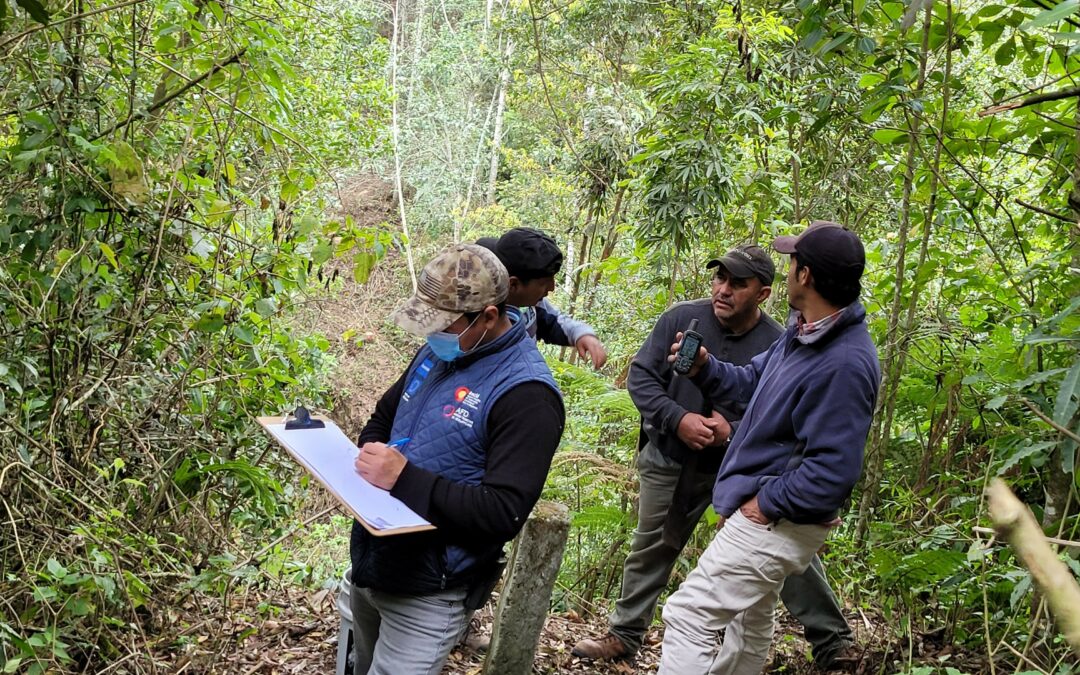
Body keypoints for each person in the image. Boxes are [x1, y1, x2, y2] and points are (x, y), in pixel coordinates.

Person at [572, 245, 856, 669]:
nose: (722, 290)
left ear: (762, 294)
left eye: (737, 284)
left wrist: (731, 432)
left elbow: (783, 425)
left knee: (783, 557)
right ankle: (624, 634)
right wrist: (679, 417)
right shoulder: (683, 318)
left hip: (740, 470)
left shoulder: (784, 341)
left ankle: (833, 643)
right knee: (652, 546)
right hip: (670, 458)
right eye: (719, 279)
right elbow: (642, 376)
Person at [656, 221, 880, 675]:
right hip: (766, 509)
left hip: (775, 518)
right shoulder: (803, 334)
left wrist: (763, 503)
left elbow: (832, 472)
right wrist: (704, 368)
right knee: (747, 621)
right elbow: (751, 385)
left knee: (690, 613)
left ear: (806, 276)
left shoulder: (845, 362)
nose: (788, 265)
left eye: (793, 259)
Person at [347, 243, 565, 675]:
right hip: (372, 563)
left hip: (430, 589)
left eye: (443, 325)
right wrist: (372, 452)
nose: (433, 335)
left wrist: (403, 478)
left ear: (488, 316)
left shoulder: (528, 396)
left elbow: (504, 512)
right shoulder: (441, 349)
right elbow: (386, 414)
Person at [477, 227, 607, 369]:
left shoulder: (531, 305)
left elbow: (552, 323)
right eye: (544, 283)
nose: (552, 288)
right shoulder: (475, 320)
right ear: (513, 284)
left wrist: (581, 334)